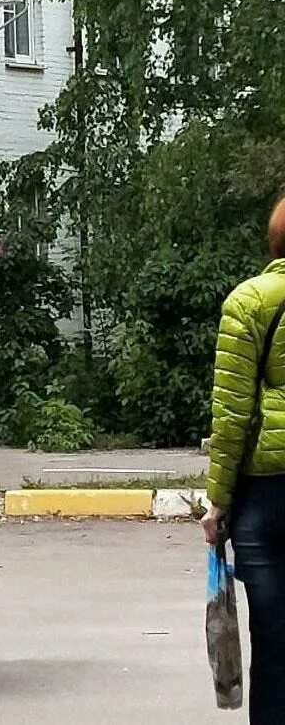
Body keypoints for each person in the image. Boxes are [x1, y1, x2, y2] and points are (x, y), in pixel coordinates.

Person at [205, 193, 285, 724]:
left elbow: (232, 416)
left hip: (265, 496)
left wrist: (217, 503)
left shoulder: (250, 302)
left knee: (275, 642)